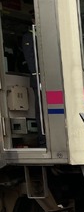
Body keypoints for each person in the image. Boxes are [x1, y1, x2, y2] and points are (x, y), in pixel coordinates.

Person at [21, 9, 45, 148]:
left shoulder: (43, 35)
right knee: (40, 109)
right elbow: (30, 58)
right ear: (33, 20)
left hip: (48, 78)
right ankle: (42, 139)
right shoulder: (28, 37)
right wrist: (37, 74)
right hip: (38, 78)